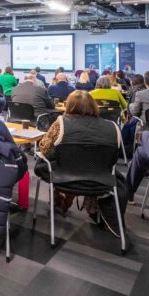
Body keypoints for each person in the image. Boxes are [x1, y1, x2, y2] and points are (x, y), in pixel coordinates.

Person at [36, 90, 126, 236]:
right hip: (101, 180)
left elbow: (45, 150)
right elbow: (113, 159)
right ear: (93, 106)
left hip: (65, 179)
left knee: (49, 163)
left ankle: (62, 200)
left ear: (69, 105)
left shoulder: (61, 124)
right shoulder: (112, 127)